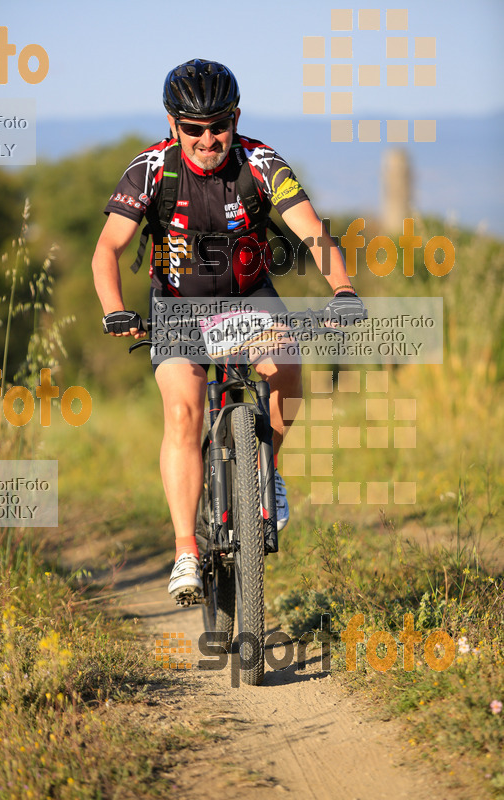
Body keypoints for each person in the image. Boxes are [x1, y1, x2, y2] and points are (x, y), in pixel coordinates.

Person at [92, 59, 365, 603]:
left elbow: (311, 230)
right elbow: (108, 249)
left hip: (247, 296)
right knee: (182, 409)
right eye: (193, 128)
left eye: (218, 125)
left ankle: (269, 473)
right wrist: (114, 307)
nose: (206, 138)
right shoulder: (151, 169)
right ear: (173, 125)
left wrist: (343, 290)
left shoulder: (261, 162)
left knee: (285, 363)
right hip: (178, 304)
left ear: (235, 119)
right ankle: (186, 549)